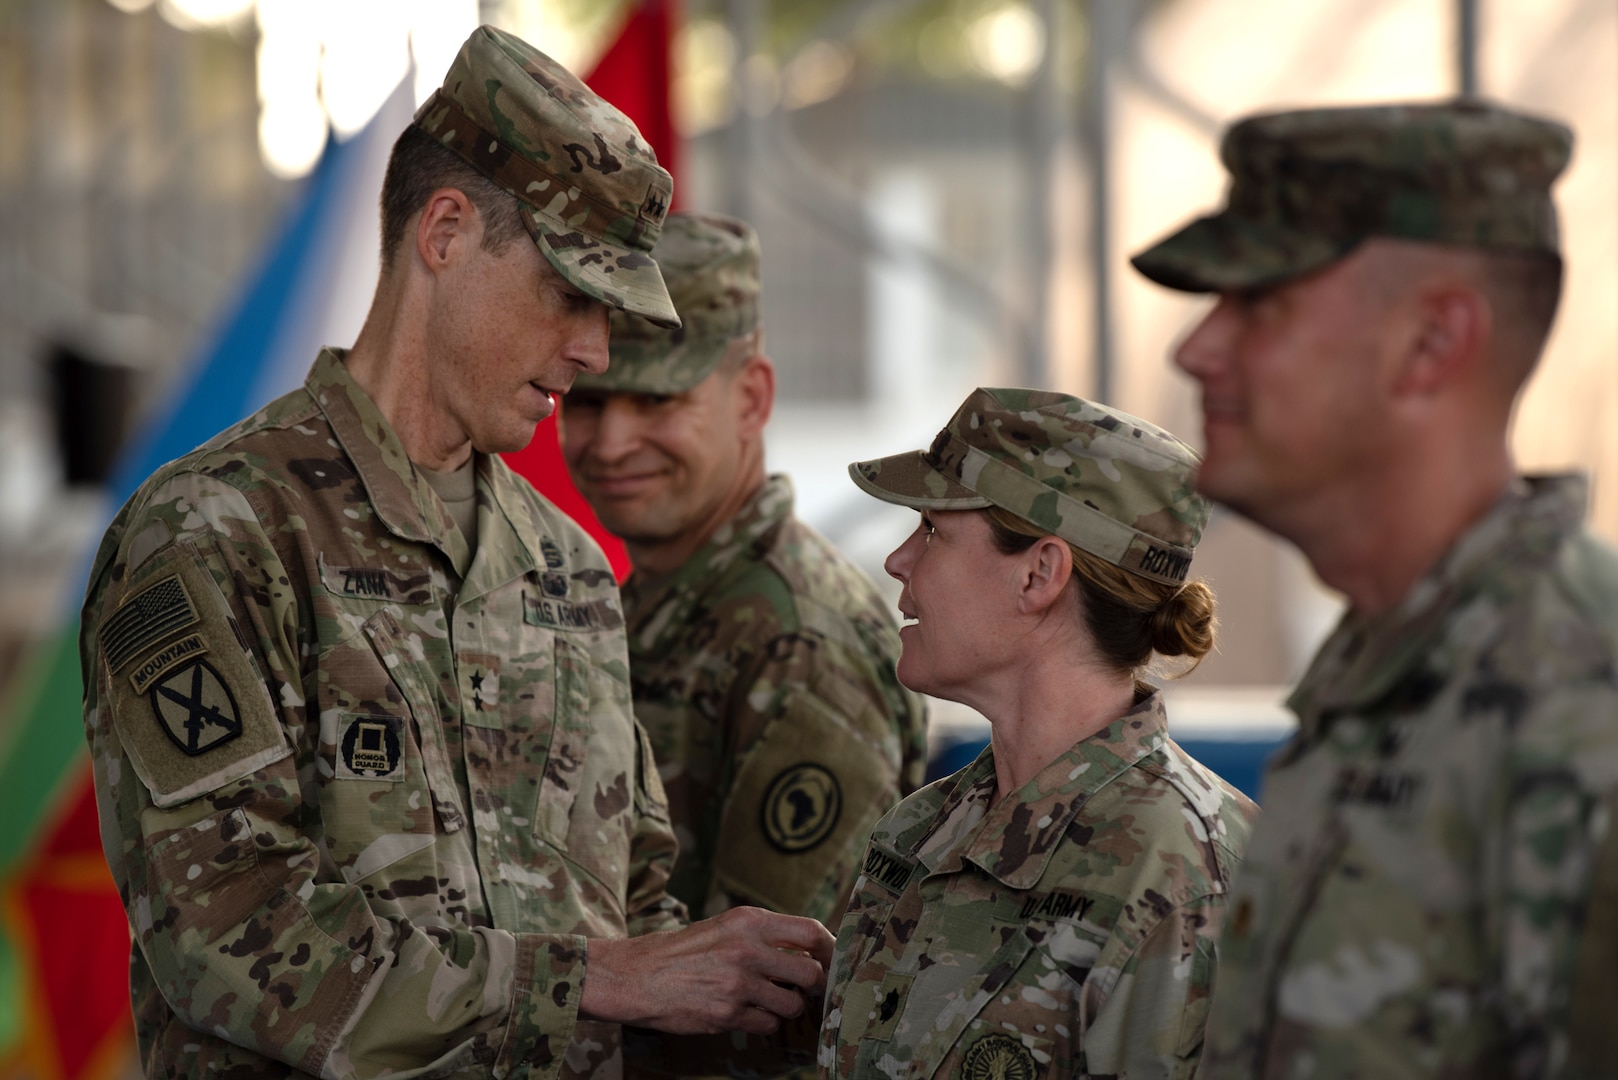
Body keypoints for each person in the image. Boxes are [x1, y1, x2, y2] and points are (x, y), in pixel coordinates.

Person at [78, 26, 830, 1080]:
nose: (594, 351)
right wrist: (595, 981)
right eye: (570, 294)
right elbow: (228, 933)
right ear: (444, 232)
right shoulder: (215, 533)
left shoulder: (563, 564)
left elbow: (638, 896)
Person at [1131, 100, 1618, 1076]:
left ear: (1432, 344)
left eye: (1258, 302)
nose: (1195, 350)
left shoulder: (1578, 709)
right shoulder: (1383, 661)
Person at [817, 387, 1259, 1079]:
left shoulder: (1185, 877)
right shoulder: (920, 832)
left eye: (933, 529)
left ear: (1039, 573)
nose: (898, 561)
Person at [560, 211, 928, 935]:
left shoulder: (800, 645)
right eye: (589, 399)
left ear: (752, 398)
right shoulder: (645, 602)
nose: (611, 442)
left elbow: (772, 999)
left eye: (659, 401)